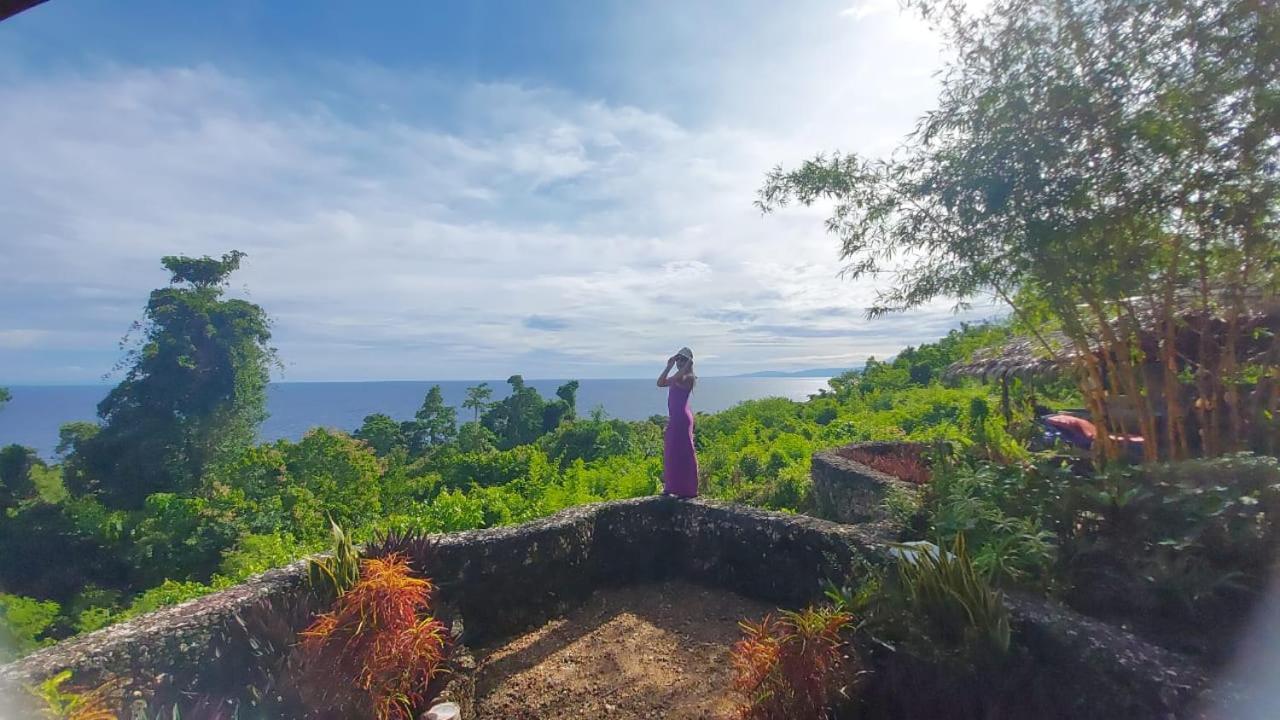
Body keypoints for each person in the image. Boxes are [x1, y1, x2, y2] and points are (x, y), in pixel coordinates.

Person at [657, 347, 698, 498]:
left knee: (685, 452)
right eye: (678, 359)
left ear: (688, 361)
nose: (679, 362)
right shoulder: (679, 375)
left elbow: (674, 380)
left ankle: (688, 489)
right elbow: (660, 383)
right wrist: (668, 365)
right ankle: (672, 486)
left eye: (683, 359)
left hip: (682, 418)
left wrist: (686, 365)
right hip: (675, 418)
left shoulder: (689, 377)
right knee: (672, 451)